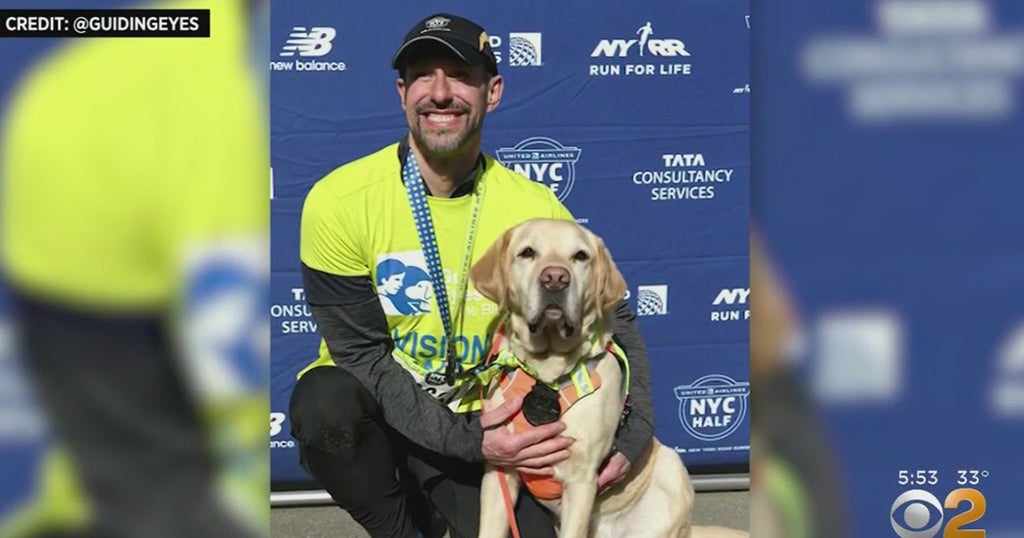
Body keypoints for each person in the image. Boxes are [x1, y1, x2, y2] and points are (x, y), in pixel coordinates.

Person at [288, 12, 656, 538]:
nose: (441, 93)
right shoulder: (339, 201)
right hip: (391, 416)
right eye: (423, 75)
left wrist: (634, 432)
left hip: (489, 424)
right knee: (326, 403)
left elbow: (618, 322)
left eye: (460, 75)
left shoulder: (534, 207)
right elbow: (359, 356)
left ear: (493, 92)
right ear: (402, 91)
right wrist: (470, 441)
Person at [0, 1, 270, 537]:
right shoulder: (213, 87)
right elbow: (226, 322)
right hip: (152, 412)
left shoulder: (73, 76)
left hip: (80, 395)